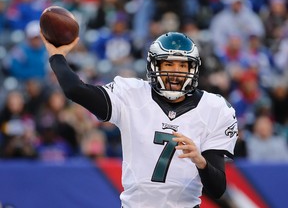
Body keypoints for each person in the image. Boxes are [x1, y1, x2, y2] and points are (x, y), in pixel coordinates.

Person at [41, 31, 238, 208]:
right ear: (154, 65)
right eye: (168, 63)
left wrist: (200, 161)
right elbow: (76, 90)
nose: (176, 72)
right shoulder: (131, 94)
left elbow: (217, 189)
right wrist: (57, 56)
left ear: (193, 69)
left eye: (182, 65)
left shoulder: (214, 108)